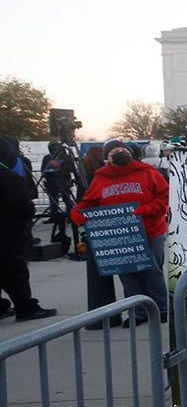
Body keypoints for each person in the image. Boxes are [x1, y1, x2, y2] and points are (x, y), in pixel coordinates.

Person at [71, 139, 169, 326]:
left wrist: (148, 210)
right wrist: (78, 213)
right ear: (107, 157)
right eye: (114, 150)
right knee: (128, 275)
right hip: (121, 237)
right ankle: (138, 313)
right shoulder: (101, 178)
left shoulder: (148, 173)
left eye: (122, 148)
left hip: (150, 231)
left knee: (152, 272)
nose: (119, 151)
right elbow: (89, 202)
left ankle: (160, 308)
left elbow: (164, 196)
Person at [0, 137, 57, 322]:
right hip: (8, 234)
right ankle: (26, 307)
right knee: (15, 271)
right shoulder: (7, 177)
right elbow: (24, 206)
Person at [41, 141, 76, 241]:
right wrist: (46, 177)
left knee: (67, 199)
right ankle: (54, 216)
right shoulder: (47, 158)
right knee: (53, 200)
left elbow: (72, 169)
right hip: (51, 181)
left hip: (64, 180)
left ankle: (71, 216)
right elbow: (43, 169)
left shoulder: (66, 157)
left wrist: (64, 167)